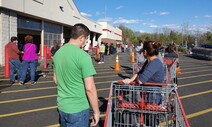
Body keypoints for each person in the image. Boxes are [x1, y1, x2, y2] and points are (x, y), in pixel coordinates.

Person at [53, 23, 100, 127]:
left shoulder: (58, 54)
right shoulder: (83, 56)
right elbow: (90, 88)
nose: (85, 42)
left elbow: (56, 79)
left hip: (62, 106)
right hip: (78, 109)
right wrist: (96, 112)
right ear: (81, 38)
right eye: (86, 39)